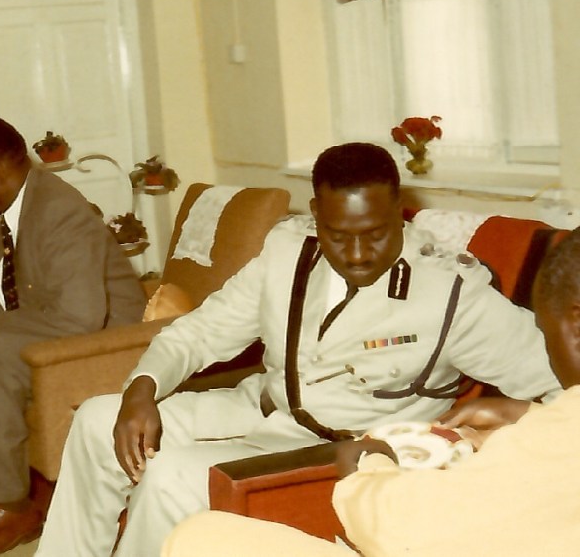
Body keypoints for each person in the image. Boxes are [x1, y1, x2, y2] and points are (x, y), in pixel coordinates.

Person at [36, 142, 561, 556]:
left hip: (338, 453)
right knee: (97, 421)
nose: (357, 254)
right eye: (337, 235)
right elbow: (203, 330)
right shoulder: (287, 250)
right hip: (259, 411)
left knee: (174, 476)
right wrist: (141, 389)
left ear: (400, 212)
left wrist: (515, 411)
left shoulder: (452, 294)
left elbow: (561, 379)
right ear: (315, 214)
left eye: (376, 234)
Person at [162, 225, 580, 556]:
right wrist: (529, 413)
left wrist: (369, 469)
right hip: (271, 413)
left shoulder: (452, 291)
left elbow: (396, 531)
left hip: (365, 474)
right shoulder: (287, 251)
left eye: (545, 328)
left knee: (199, 537)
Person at [0, 117, 147, 557]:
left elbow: (82, 317)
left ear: (2, 169)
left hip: (105, 344)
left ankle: (8, 506)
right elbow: (0, 294)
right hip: (50, 330)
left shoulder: (61, 211)